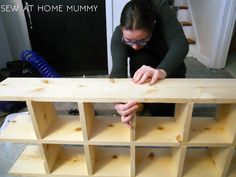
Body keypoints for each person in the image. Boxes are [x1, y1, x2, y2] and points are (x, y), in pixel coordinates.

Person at [109, 0, 189, 128]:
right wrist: (119, 104)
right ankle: (142, 103)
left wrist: (162, 71)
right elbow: (117, 72)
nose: (134, 46)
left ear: (153, 25)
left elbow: (180, 44)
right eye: (129, 40)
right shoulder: (118, 36)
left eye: (141, 40)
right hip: (144, 72)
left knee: (162, 116)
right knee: (140, 57)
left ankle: (149, 104)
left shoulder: (161, 9)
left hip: (169, 73)